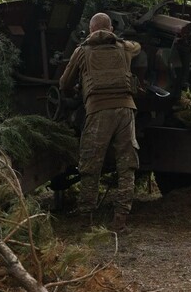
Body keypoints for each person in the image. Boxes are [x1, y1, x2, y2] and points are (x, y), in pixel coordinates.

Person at [59, 12, 141, 232]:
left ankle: (86, 221)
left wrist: (77, 90)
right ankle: (120, 221)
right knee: (127, 167)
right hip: (125, 110)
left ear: (90, 30)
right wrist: (116, 38)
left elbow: (64, 83)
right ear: (111, 29)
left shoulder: (82, 51)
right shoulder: (125, 48)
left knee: (90, 165)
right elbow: (138, 46)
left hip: (98, 110)